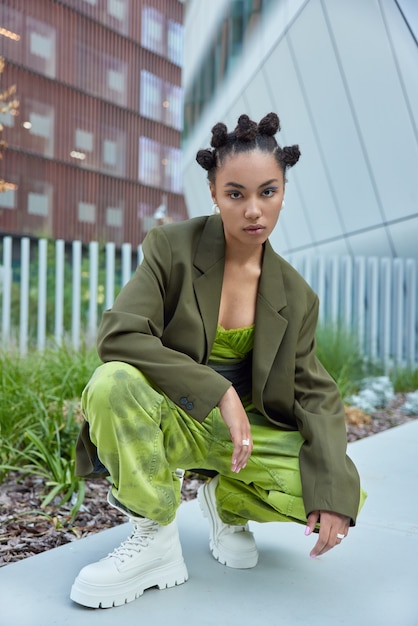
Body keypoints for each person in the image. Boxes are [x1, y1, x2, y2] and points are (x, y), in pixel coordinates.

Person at [71, 112, 365, 609]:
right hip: (173, 417)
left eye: (267, 192)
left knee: (339, 495)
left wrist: (333, 494)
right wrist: (218, 390)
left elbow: (316, 392)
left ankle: (226, 502)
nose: (254, 210)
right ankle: (155, 535)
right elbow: (119, 334)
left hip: (242, 439)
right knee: (111, 382)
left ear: (283, 192)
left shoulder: (297, 295)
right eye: (236, 194)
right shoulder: (172, 248)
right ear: (213, 193)